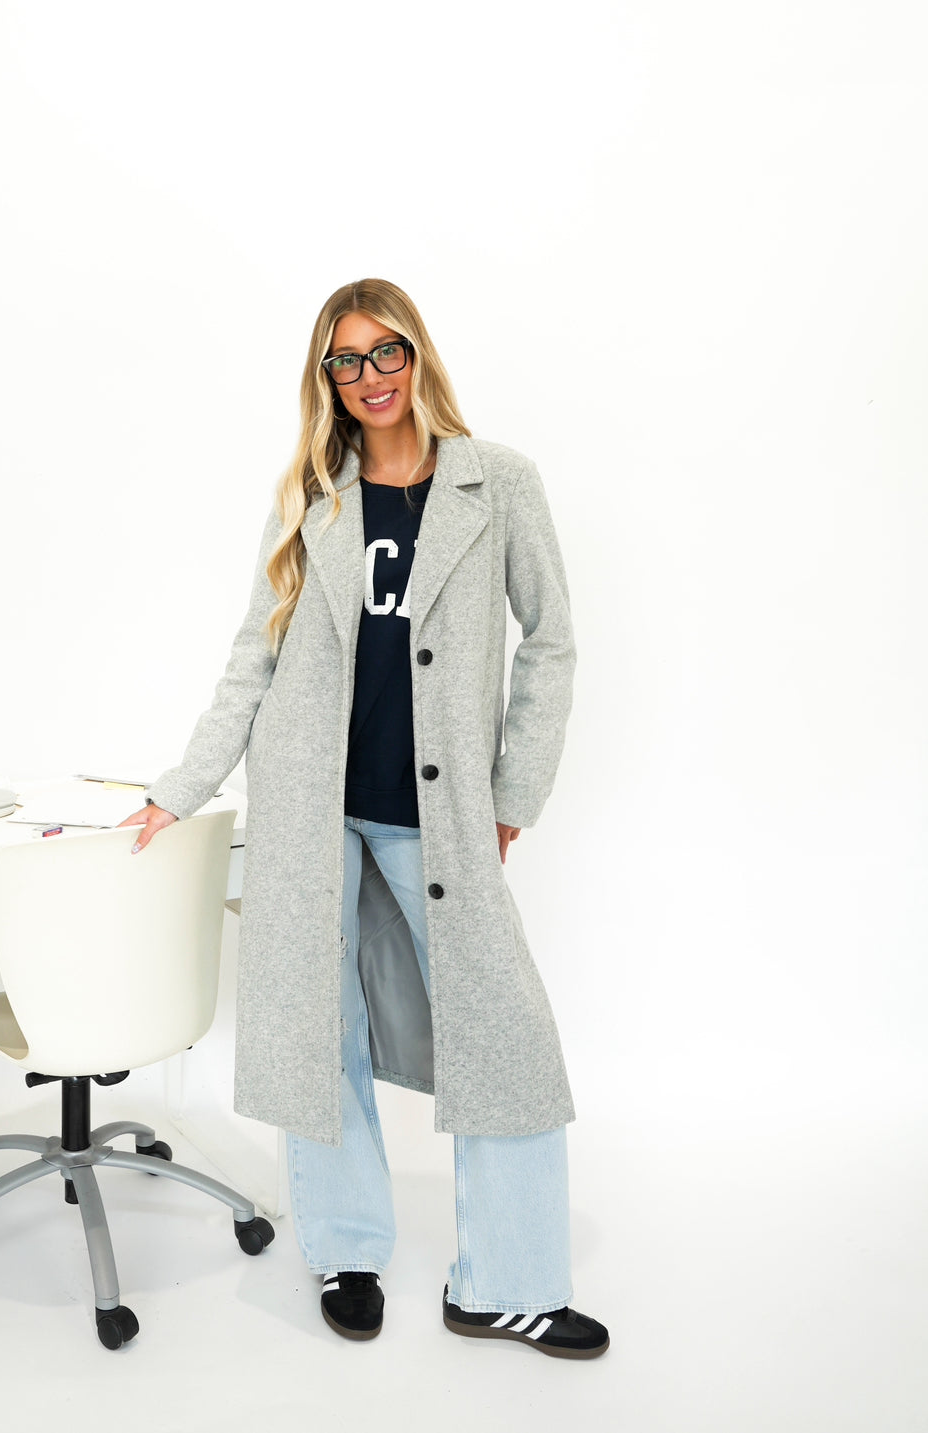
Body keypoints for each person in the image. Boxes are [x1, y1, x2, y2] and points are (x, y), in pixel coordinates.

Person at [122, 278, 608, 1358]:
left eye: (387, 351)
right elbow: (255, 655)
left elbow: (551, 641)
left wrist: (513, 795)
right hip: (310, 806)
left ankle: (507, 1283)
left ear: (418, 354)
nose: (371, 376)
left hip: (439, 813)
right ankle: (346, 1249)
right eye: (347, 361)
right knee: (320, 1027)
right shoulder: (315, 493)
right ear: (328, 379)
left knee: (505, 1034)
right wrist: (180, 787)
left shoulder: (498, 482)